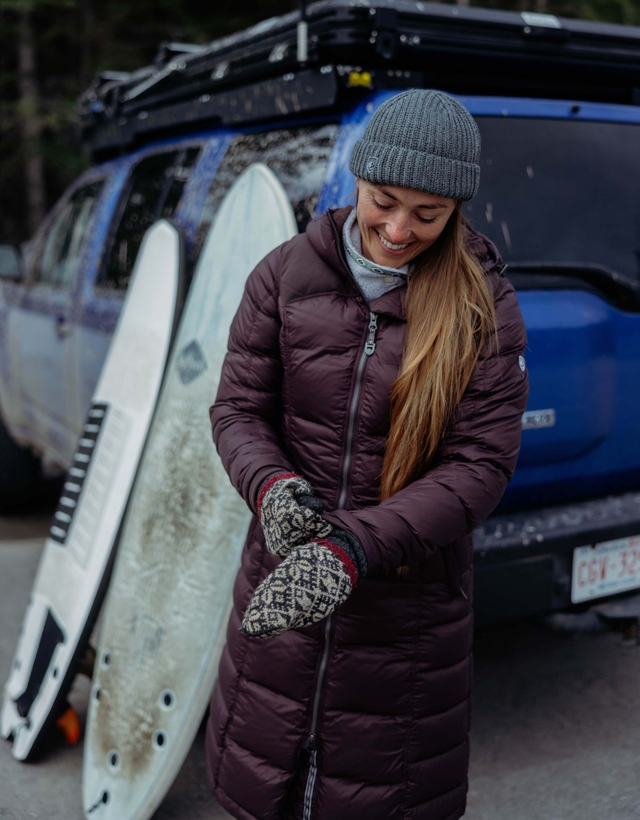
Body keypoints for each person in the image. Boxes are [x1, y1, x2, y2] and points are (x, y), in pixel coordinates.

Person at [205, 89, 529, 820]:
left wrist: (353, 546)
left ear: (456, 210)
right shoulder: (284, 276)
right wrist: (272, 487)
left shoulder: (485, 308)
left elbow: (480, 466)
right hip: (281, 592)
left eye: (428, 214)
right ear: (358, 178)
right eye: (384, 200)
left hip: (405, 625)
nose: (398, 228)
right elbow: (237, 408)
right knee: (266, 793)